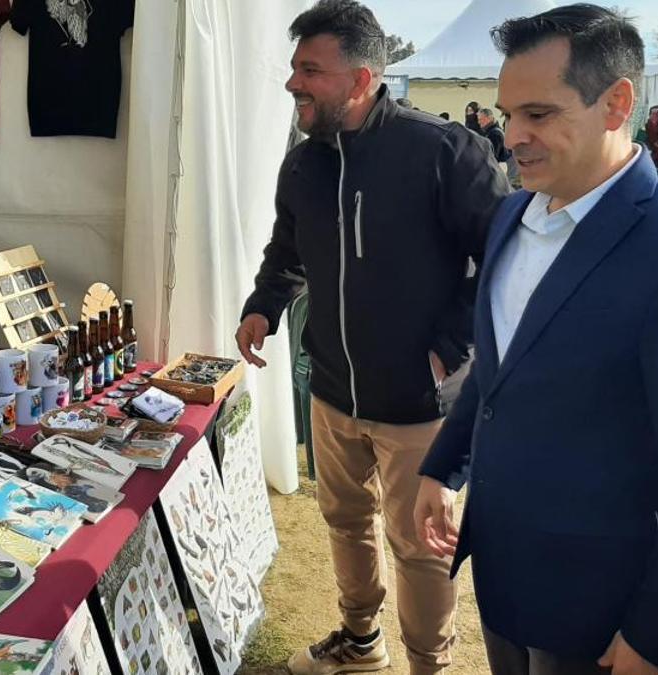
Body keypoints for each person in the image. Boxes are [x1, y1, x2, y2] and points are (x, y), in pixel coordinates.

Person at [414, 5, 658, 675]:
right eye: (508, 114)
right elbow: (500, 367)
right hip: (503, 571)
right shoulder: (512, 214)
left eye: (538, 113)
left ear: (616, 104)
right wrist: (442, 466)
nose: (513, 136)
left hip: (602, 607)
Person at [235, 2, 510, 672]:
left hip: (418, 402)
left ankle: (428, 665)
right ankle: (361, 640)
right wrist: (264, 306)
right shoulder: (303, 164)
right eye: (295, 68)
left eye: (310, 70)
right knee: (344, 521)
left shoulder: (443, 150)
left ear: (360, 79)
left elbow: (504, 257)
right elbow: (287, 250)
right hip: (331, 391)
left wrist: (449, 347)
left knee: (419, 547)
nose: (293, 83)